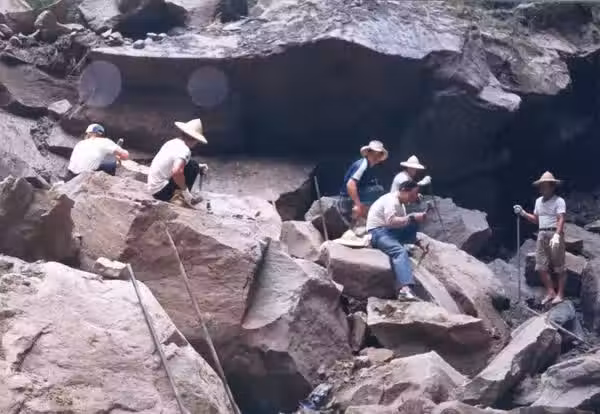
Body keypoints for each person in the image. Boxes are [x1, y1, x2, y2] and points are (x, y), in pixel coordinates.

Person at [367, 180, 428, 301]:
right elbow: (391, 221)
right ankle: (404, 290)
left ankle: (405, 245)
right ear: (403, 191)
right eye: (412, 195)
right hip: (378, 232)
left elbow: (402, 224)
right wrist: (412, 216)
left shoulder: (401, 205)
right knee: (399, 252)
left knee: (412, 223)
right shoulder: (391, 200)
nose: (413, 198)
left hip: (389, 232)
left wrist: (419, 243)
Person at [514, 171, 566, 305]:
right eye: (541, 186)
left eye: (544, 185)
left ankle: (560, 294)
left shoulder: (559, 201)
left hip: (554, 233)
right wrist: (523, 213)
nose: (542, 188)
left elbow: (561, 219)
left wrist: (557, 235)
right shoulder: (538, 201)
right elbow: (536, 220)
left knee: (559, 266)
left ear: (552, 186)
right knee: (540, 266)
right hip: (542, 234)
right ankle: (551, 292)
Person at [147, 118, 209, 208]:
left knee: (193, 164)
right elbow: (176, 172)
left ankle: (179, 194)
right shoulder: (184, 150)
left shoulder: (172, 142)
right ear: (195, 140)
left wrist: (198, 166)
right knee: (193, 166)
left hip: (153, 187)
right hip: (161, 192)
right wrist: (186, 192)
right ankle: (179, 198)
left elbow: (171, 162)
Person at [337, 140, 387, 225]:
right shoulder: (362, 164)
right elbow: (350, 185)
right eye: (373, 153)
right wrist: (358, 204)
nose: (375, 157)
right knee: (378, 191)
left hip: (358, 194)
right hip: (347, 198)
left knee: (378, 190)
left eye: (378, 154)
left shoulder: (369, 166)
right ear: (368, 153)